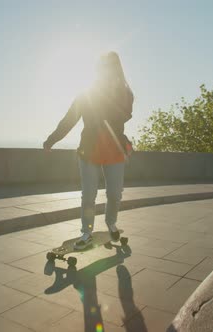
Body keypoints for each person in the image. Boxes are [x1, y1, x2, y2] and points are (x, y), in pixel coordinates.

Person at [43, 51, 134, 250]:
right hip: (89, 151)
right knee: (88, 194)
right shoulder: (86, 94)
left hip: (115, 152)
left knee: (114, 194)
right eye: (102, 67)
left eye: (110, 67)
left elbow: (123, 116)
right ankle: (87, 232)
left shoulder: (125, 93)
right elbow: (69, 120)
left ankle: (111, 223)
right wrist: (51, 140)